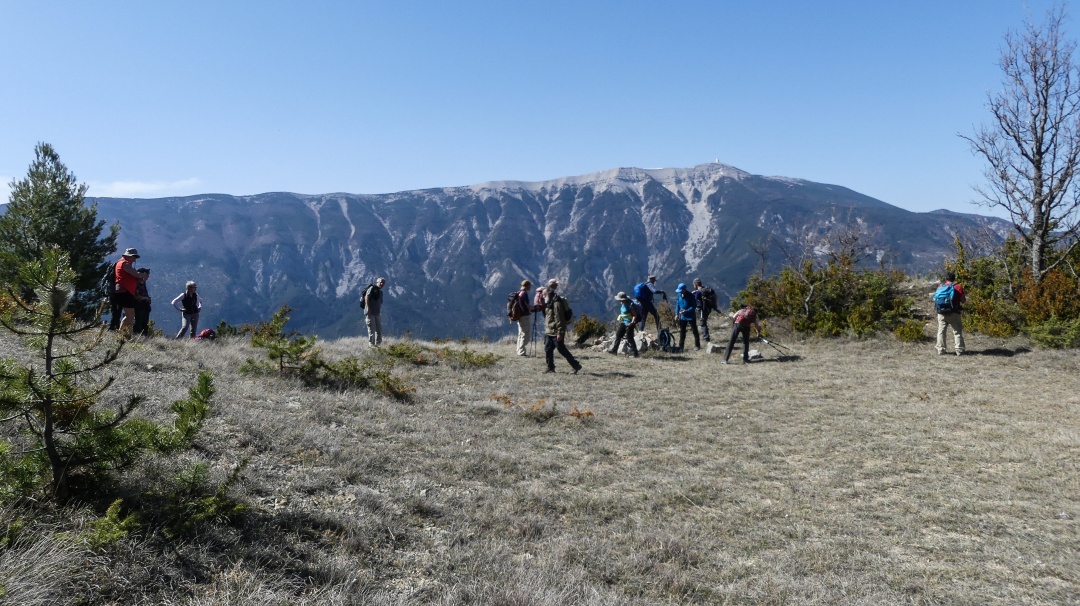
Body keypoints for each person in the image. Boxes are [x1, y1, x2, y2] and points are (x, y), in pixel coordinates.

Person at [542, 279, 582, 374]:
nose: (542, 296)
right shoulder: (549, 303)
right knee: (548, 349)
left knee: (561, 349)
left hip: (556, 331)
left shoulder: (557, 303)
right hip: (549, 330)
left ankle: (576, 366)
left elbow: (559, 318)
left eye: (544, 295)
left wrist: (560, 332)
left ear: (548, 294)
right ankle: (550, 367)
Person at [935, 271, 966, 356]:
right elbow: (963, 300)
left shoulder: (940, 287)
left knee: (941, 331)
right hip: (954, 312)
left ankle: (941, 350)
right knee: (957, 332)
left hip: (941, 313)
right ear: (954, 278)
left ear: (946, 278)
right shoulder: (958, 286)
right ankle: (959, 350)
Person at [113, 248, 142, 335]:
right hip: (125, 292)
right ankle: (126, 334)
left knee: (130, 315)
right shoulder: (124, 264)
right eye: (134, 257)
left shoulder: (122, 263)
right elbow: (136, 274)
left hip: (125, 292)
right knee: (130, 315)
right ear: (129, 256)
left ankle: (124, 333)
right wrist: (142, 275)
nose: (135, 259)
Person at [608, 292, 640, 357]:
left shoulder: (629, 305)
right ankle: (614, 350)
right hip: (624, 322)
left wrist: (632, 323)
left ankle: (635, 353)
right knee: (618, 335)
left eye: (620, 299)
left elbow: (634, 315)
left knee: (630, 338)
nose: (619, 300)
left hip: (629, 323)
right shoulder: (623, 303)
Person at [674, 283, 701, 351]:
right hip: (682, 317)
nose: (680, 292)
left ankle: (697, 345)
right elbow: (677, 304)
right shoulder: (679, 295)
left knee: (694, 331)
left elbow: (694, 306)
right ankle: (681, 347)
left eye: (681, 290)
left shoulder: (690, 295)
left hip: (691, 316)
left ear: (684, 289)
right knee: (682, 332)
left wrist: (687, 311)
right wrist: (676, 314)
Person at [363, 277, 387, 346]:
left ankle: (378, 344)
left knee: (379, 329)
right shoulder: (372, 288)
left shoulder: (380, 292)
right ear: (377, 282)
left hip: (377, 313)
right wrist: (368, 308)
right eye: (381, 282)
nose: (382, 284)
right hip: (370, 313)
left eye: (383, 283)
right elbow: (367, 297)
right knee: (371, 329)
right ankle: (371, 345)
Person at [513, 280, 535, 356]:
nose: (530, 287)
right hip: (524, 316)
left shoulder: (519, 292)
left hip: (519, 316)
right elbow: (527, 306)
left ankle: (519, 350)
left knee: (521, 333)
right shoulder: (524, 293)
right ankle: (521, 351)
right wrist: (535, 308)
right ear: (527, 286)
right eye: (530, 286)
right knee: (525, 334)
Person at [693, 278, 716, 342]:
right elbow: (715, 295)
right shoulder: (707, 289)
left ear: (696, 285)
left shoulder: (698, 293)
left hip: (702, 310)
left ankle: (706, 338)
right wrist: (715, 305)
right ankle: (706, 335)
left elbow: (694, 300)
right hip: (709, 308)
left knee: (702, 323)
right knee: (704, 322)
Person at [133, 268, 152, 337]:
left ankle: (144, 336)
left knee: (145, 322)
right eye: (146, 275)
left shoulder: (143, 283)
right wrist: (145, 298)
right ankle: (137, 335)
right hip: (139, 305)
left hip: (145, 305)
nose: (147, 277)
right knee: (138, 321)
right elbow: (136, 296)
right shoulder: (136, 283)